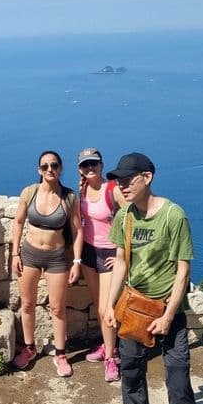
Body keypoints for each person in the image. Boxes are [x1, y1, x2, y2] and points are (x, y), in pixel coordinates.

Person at [103, 152, 203, 404]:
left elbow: (183, 270)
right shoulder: (125, 217)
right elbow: (120, 261)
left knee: (178, 382)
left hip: (169, 313)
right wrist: (109, 304)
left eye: (128, 179)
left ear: (147, 177)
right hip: (134, 308)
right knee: (131, 367)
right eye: (118, 180)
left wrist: (167, 315)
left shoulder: (173, 216)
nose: (122, 185)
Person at [10, 150, 83, 377]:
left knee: (58, 308)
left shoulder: (69, 198)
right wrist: (15, 254)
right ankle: (30, 348)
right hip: (30, 254)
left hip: (57, 257)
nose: (49, 169)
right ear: (38, 170)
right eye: (45, 166)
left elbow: (77, 230)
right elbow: (19, 222)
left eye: (54, 165)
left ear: (60, 169)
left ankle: (60, 354)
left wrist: (77, 261)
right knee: (28, 305)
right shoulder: (29, 193)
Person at [77, 148, 126, 382]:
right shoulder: (83, 189)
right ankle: (109, 347)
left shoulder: (112, 189)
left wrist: (121, 255)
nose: (90, 168)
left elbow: (132, 217)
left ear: (102, 166)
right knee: (99, 306)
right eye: (85, 165)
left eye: (93, 164)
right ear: (80, 169)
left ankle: (110, 359)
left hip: (108, 252)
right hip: (88, 250)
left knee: (108, 309)